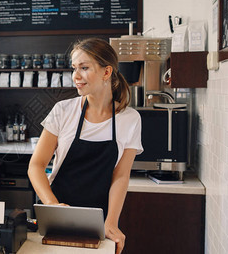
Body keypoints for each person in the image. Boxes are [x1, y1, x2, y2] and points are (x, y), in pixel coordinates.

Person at [28, 38, 143, 254]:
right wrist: (52, 206)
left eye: (84, 68)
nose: (76, 76)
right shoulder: (63, 111)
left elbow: (121, 176)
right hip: (56, 216)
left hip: (99, 220)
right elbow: (36, 165)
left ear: (106, 72)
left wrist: (111, 222)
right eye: (74, 68)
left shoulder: (130, 119)